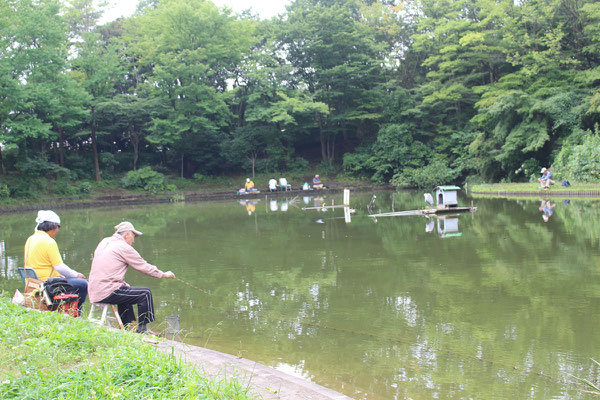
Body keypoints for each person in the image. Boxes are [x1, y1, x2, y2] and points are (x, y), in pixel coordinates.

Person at [88, 222, 175, 335]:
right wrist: (163, 274)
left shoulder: (105, 241)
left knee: (125, 289)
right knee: (145, 293)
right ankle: (143, 329)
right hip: (106, 291)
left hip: (94, 290)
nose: (133, 241)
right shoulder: (123, 247)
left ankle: (128, 326)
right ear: (127, 235)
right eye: (133, 236)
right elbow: (143, 266)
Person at [24, 210, 88, 312]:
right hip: (47, 284)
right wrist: (76, 274)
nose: (58, 230)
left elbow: (44, 264)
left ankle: (62, 309)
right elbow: (59, 266)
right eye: (59, 226)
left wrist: (59, 276)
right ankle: (75, 314)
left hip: (33, 282)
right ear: (52, 226)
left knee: (70, 281)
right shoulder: (49, 241)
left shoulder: (31, 239)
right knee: (82, 284)